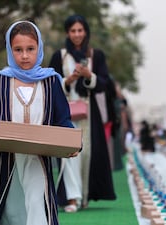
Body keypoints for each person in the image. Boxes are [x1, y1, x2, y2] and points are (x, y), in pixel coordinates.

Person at [0, 20, 80, 225]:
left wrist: (71, 142)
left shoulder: (51, 81)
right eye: (18, 49)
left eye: (30, 49)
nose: (24, 56)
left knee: (37, 207)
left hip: (37, 161)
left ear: (39, 48)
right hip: (3, 163)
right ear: (10, 50)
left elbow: (63, 120)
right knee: (3, 212)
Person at [48, 14, 116, 210]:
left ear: (85, 32)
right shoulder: (60, 56)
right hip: (66, 111)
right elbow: (50, 84)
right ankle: (72, 198)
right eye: (73, 31)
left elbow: (104, 84)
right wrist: (67, 81)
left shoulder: (96, 55)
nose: (77, 34)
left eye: (80, 30)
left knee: (86, 153)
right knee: (69, 153)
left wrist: (89, 76)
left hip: (88, 112)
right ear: (67, 33)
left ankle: (84, 195)